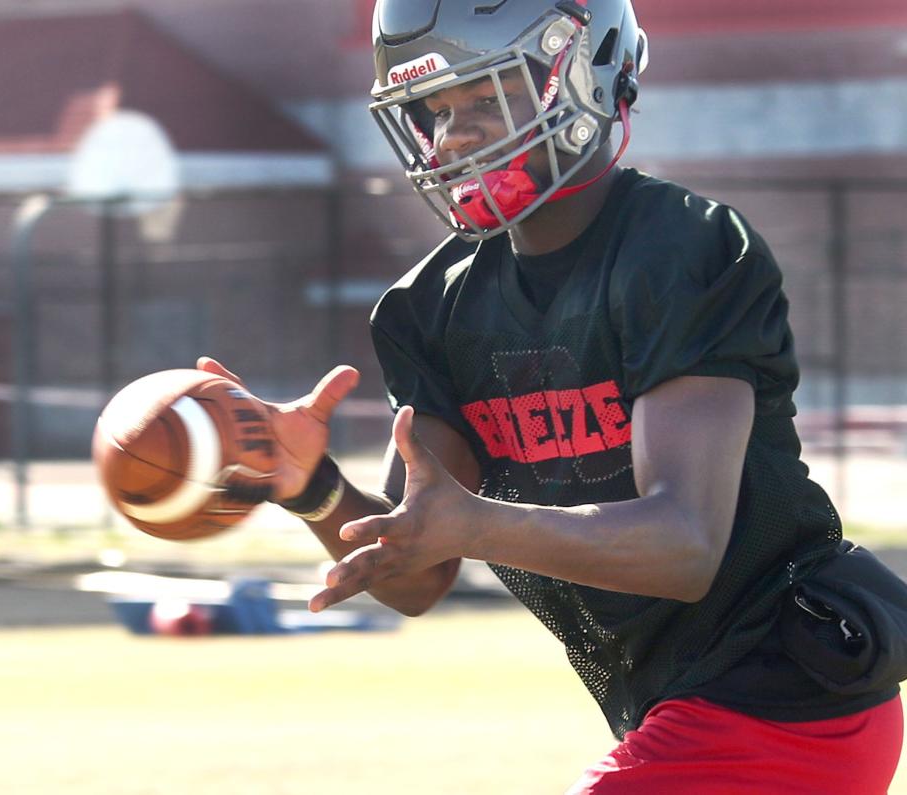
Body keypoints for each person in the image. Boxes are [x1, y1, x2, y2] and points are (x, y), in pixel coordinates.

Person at [200, 1, 905, 791]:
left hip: (788, 693)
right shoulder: (429, 308)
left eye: (484, 99)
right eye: (437, 109)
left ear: (581, 74)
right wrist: (313, 485)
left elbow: (684, 544)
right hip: (679, 704)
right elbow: (418, 573)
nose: (455, 135)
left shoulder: (681, 249)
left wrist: (477, 521)